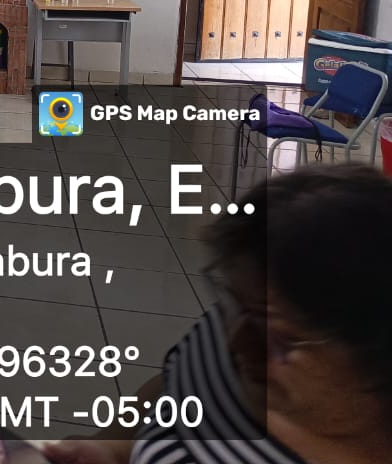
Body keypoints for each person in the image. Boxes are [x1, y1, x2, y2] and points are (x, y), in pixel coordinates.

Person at [46, 165, 392, 464]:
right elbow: (176, 383)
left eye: (273, 335)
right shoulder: (253, 317)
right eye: (232, 303)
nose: (234, 342)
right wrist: (110, 448)